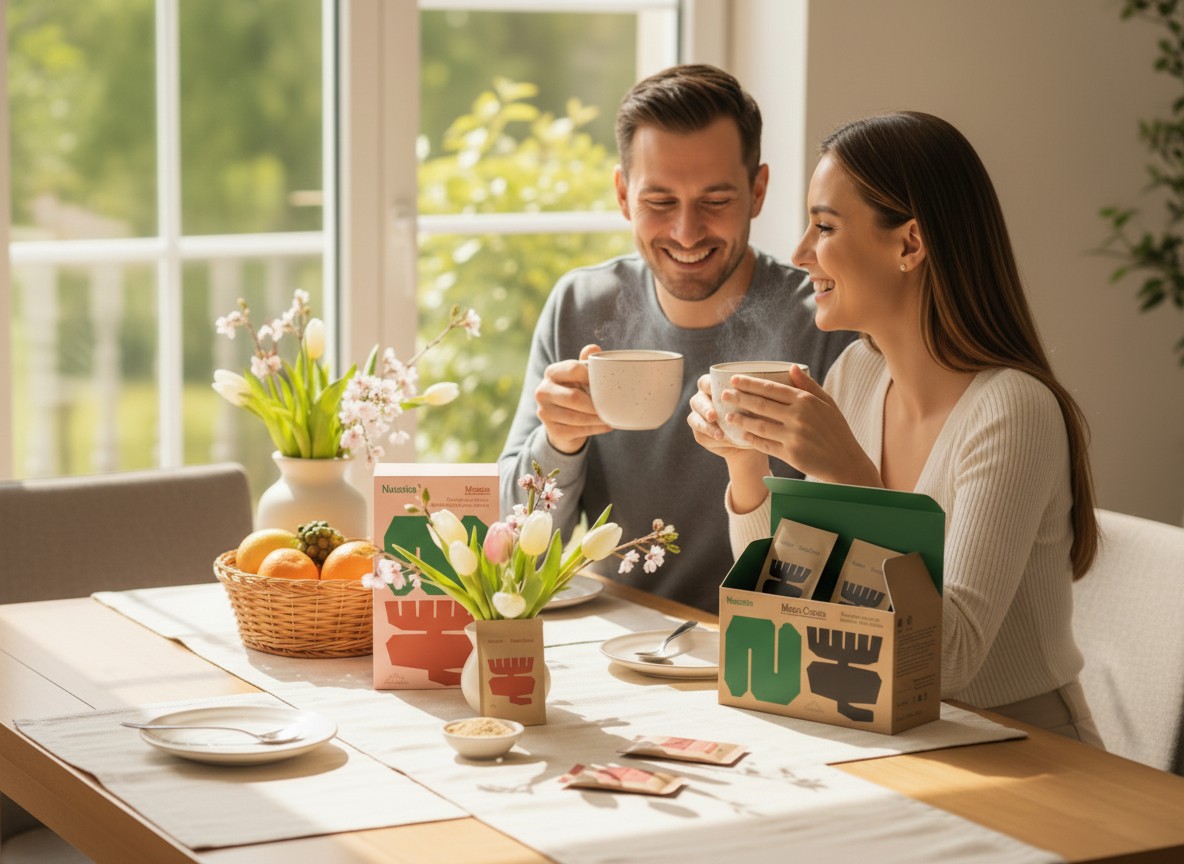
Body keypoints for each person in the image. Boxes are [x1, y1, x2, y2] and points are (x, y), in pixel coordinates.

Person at [688, 110, 1103, 745]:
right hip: (889, 734)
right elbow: (785, 598)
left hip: (1022, 751)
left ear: (909, 244)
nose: (799, 254)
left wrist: (852, 479)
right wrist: (746, 464)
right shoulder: (858, 372)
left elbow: (947, 662)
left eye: (824, 226)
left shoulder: (1012, 411)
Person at [498, 65, 857, 613]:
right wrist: (559, 442)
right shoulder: (579, 307)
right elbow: (515, 538)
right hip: (612, 635)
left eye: (715, 201)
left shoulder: (824, 324)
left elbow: (855, 540)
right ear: (623, 195)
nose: (687, 232)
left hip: (768, 643)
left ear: (758, 191)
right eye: (660, 202)